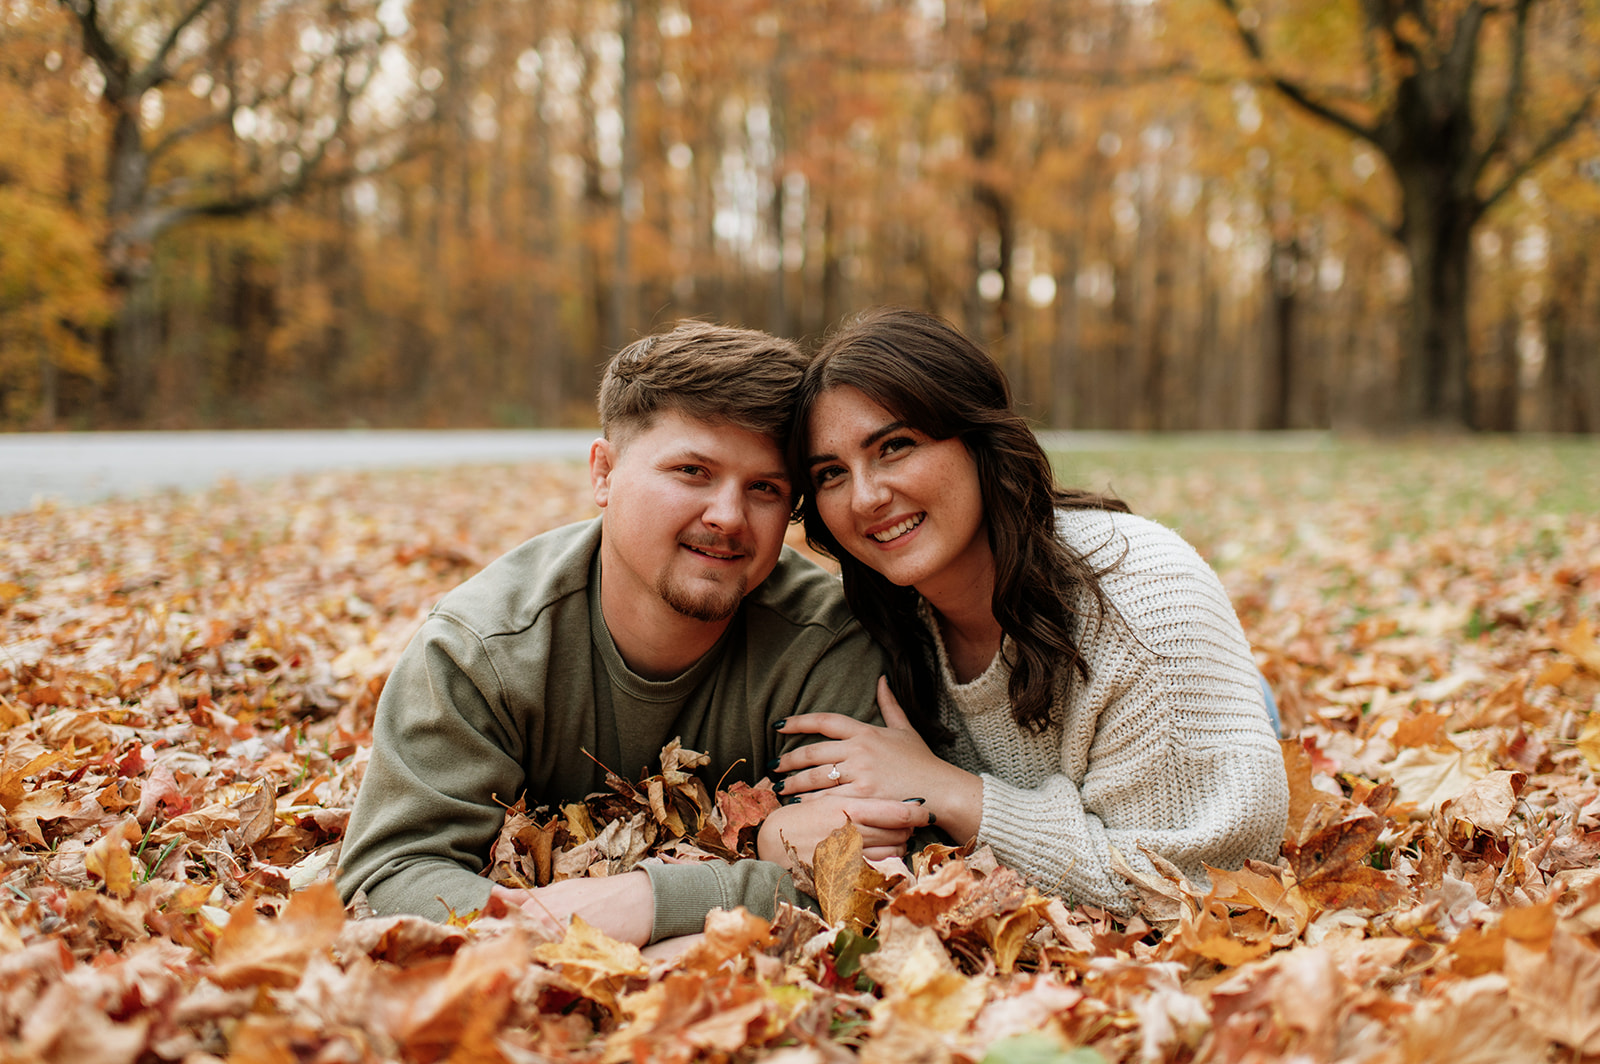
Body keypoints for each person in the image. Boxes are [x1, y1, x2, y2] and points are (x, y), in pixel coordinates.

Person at [337, 321, 930, 945]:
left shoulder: (825, 646)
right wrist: (601, 921)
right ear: (604, 473)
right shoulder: (483, 648)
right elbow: (385, 881)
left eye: (764, 488)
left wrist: (652, 902)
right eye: (692, 471)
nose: (728, 517)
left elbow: (888, 873)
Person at [758, 307, 1288, 913]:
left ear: (978, 438)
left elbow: (1196, 886)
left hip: (1185, 712)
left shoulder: (1144, 604)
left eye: (895, 446)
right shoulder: (879, 616)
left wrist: (949, 791)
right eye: (831, 474)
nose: (866, 497)